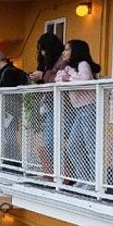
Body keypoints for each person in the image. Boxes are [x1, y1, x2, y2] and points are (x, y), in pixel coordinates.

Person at [56, 39, 101, 188]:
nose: (64, 52)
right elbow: (58, 79)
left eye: (67, 50)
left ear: (76, 51)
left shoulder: (83, 64)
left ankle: (95, 182)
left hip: (90, 107)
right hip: (79, 109)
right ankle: (84, 178)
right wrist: (66, 76)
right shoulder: (69, 67)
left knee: (90, 145)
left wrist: (68, 78)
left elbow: (85, 80)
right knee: (73, 145)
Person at [29, 32, 66, 174]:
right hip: (51, 105)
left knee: (57, 142)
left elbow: (59, 78)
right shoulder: (47, 62)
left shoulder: (62, 60)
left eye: (44, 49)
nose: (42, 53)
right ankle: (56, 172)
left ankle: (63, 173)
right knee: (49, 141)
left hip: (64, 106)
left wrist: (43, 75)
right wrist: (38, 77)